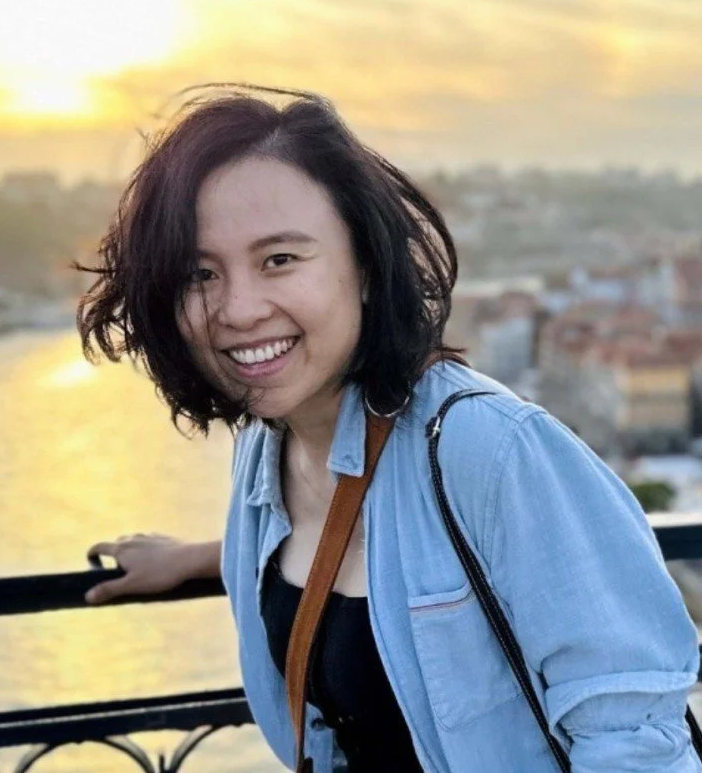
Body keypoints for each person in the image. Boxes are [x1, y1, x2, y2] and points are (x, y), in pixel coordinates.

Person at [78, 84, 701, 772]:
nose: (240, 308)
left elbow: (637, 745)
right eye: (200, 273)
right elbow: (356, 538)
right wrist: (203, 557)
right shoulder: (268, 445)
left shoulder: (489, 450)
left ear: (366, 265)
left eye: (279, 259)